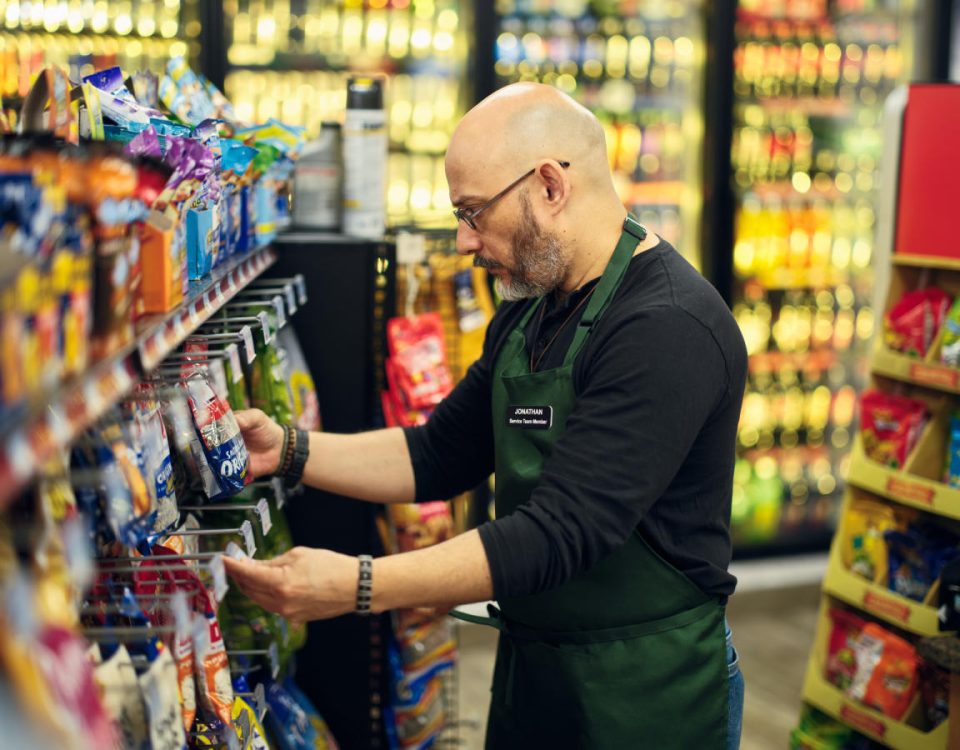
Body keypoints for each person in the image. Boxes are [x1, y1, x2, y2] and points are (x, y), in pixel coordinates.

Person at [224, 82, 748, 749]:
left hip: (648, 688)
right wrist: (291, 450)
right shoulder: (531, 306)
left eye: (474, 213)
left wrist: (358, 585)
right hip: (538, 671)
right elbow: (440, 454)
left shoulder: (666, 327)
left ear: (550, 186)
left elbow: (559, 533)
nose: (465, 240)